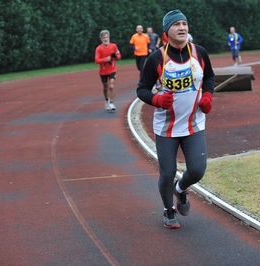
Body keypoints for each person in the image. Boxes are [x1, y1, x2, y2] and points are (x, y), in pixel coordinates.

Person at [137, 9, 215, 229]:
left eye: (184, 24)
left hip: (194, 123)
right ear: (167, 31)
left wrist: (208, 95)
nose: (182, 28)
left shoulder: (199, 53)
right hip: (166, 127)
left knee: (198, 170)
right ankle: (168, 210)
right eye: (176, 24)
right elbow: (142, 89)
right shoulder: (156, 58)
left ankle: (179, 189)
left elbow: (209, 76)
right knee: (167, 172)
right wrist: (156, 100)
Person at [94, 30, 121, 111]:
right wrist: (105, 59)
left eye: (107, 37)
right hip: (103, 71)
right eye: (104, 37)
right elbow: (96, 60)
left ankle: (112, 103)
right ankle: (107, 100)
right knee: (105, 87)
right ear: (101, 39)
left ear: (109, 37)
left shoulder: (113, 46)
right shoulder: (99, 48)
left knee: (111, 86)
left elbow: (119, 56)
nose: (105, 39)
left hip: (112, 69)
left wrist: (115, 56)